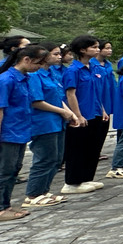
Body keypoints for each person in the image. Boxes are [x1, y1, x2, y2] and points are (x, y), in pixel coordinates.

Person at [0, 44, 50, 221]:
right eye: (38, 63)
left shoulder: (24, 79)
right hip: (7, 133)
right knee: (1, 171)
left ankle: (5, 205)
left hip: (20, 131)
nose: (40, 67)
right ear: (26, 60)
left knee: (13, 170)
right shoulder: (5, 80)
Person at [24, 44, 79, 207]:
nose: (59, 57)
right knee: (44, 158)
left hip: (57, 121)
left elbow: (58, 97)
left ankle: (43, 190)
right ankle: (33, 194)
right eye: (55, 54)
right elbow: (37, 101)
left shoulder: (51, 74)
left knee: (56, 159)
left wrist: (69, 112)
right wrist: (62, 112)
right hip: (43, 122)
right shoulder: (35, 75)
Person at [62, 36, 107, 194]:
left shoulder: (94, 68)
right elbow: (70, 94)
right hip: (81, 115)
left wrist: (102, 110)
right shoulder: (73, 70)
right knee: (77, 149)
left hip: (95, 112)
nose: (97, 50)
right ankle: (72, 182)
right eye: (93, 47)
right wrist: (78, 115)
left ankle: (86, 178)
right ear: (82, 50)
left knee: (92, 148)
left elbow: (96, 92)